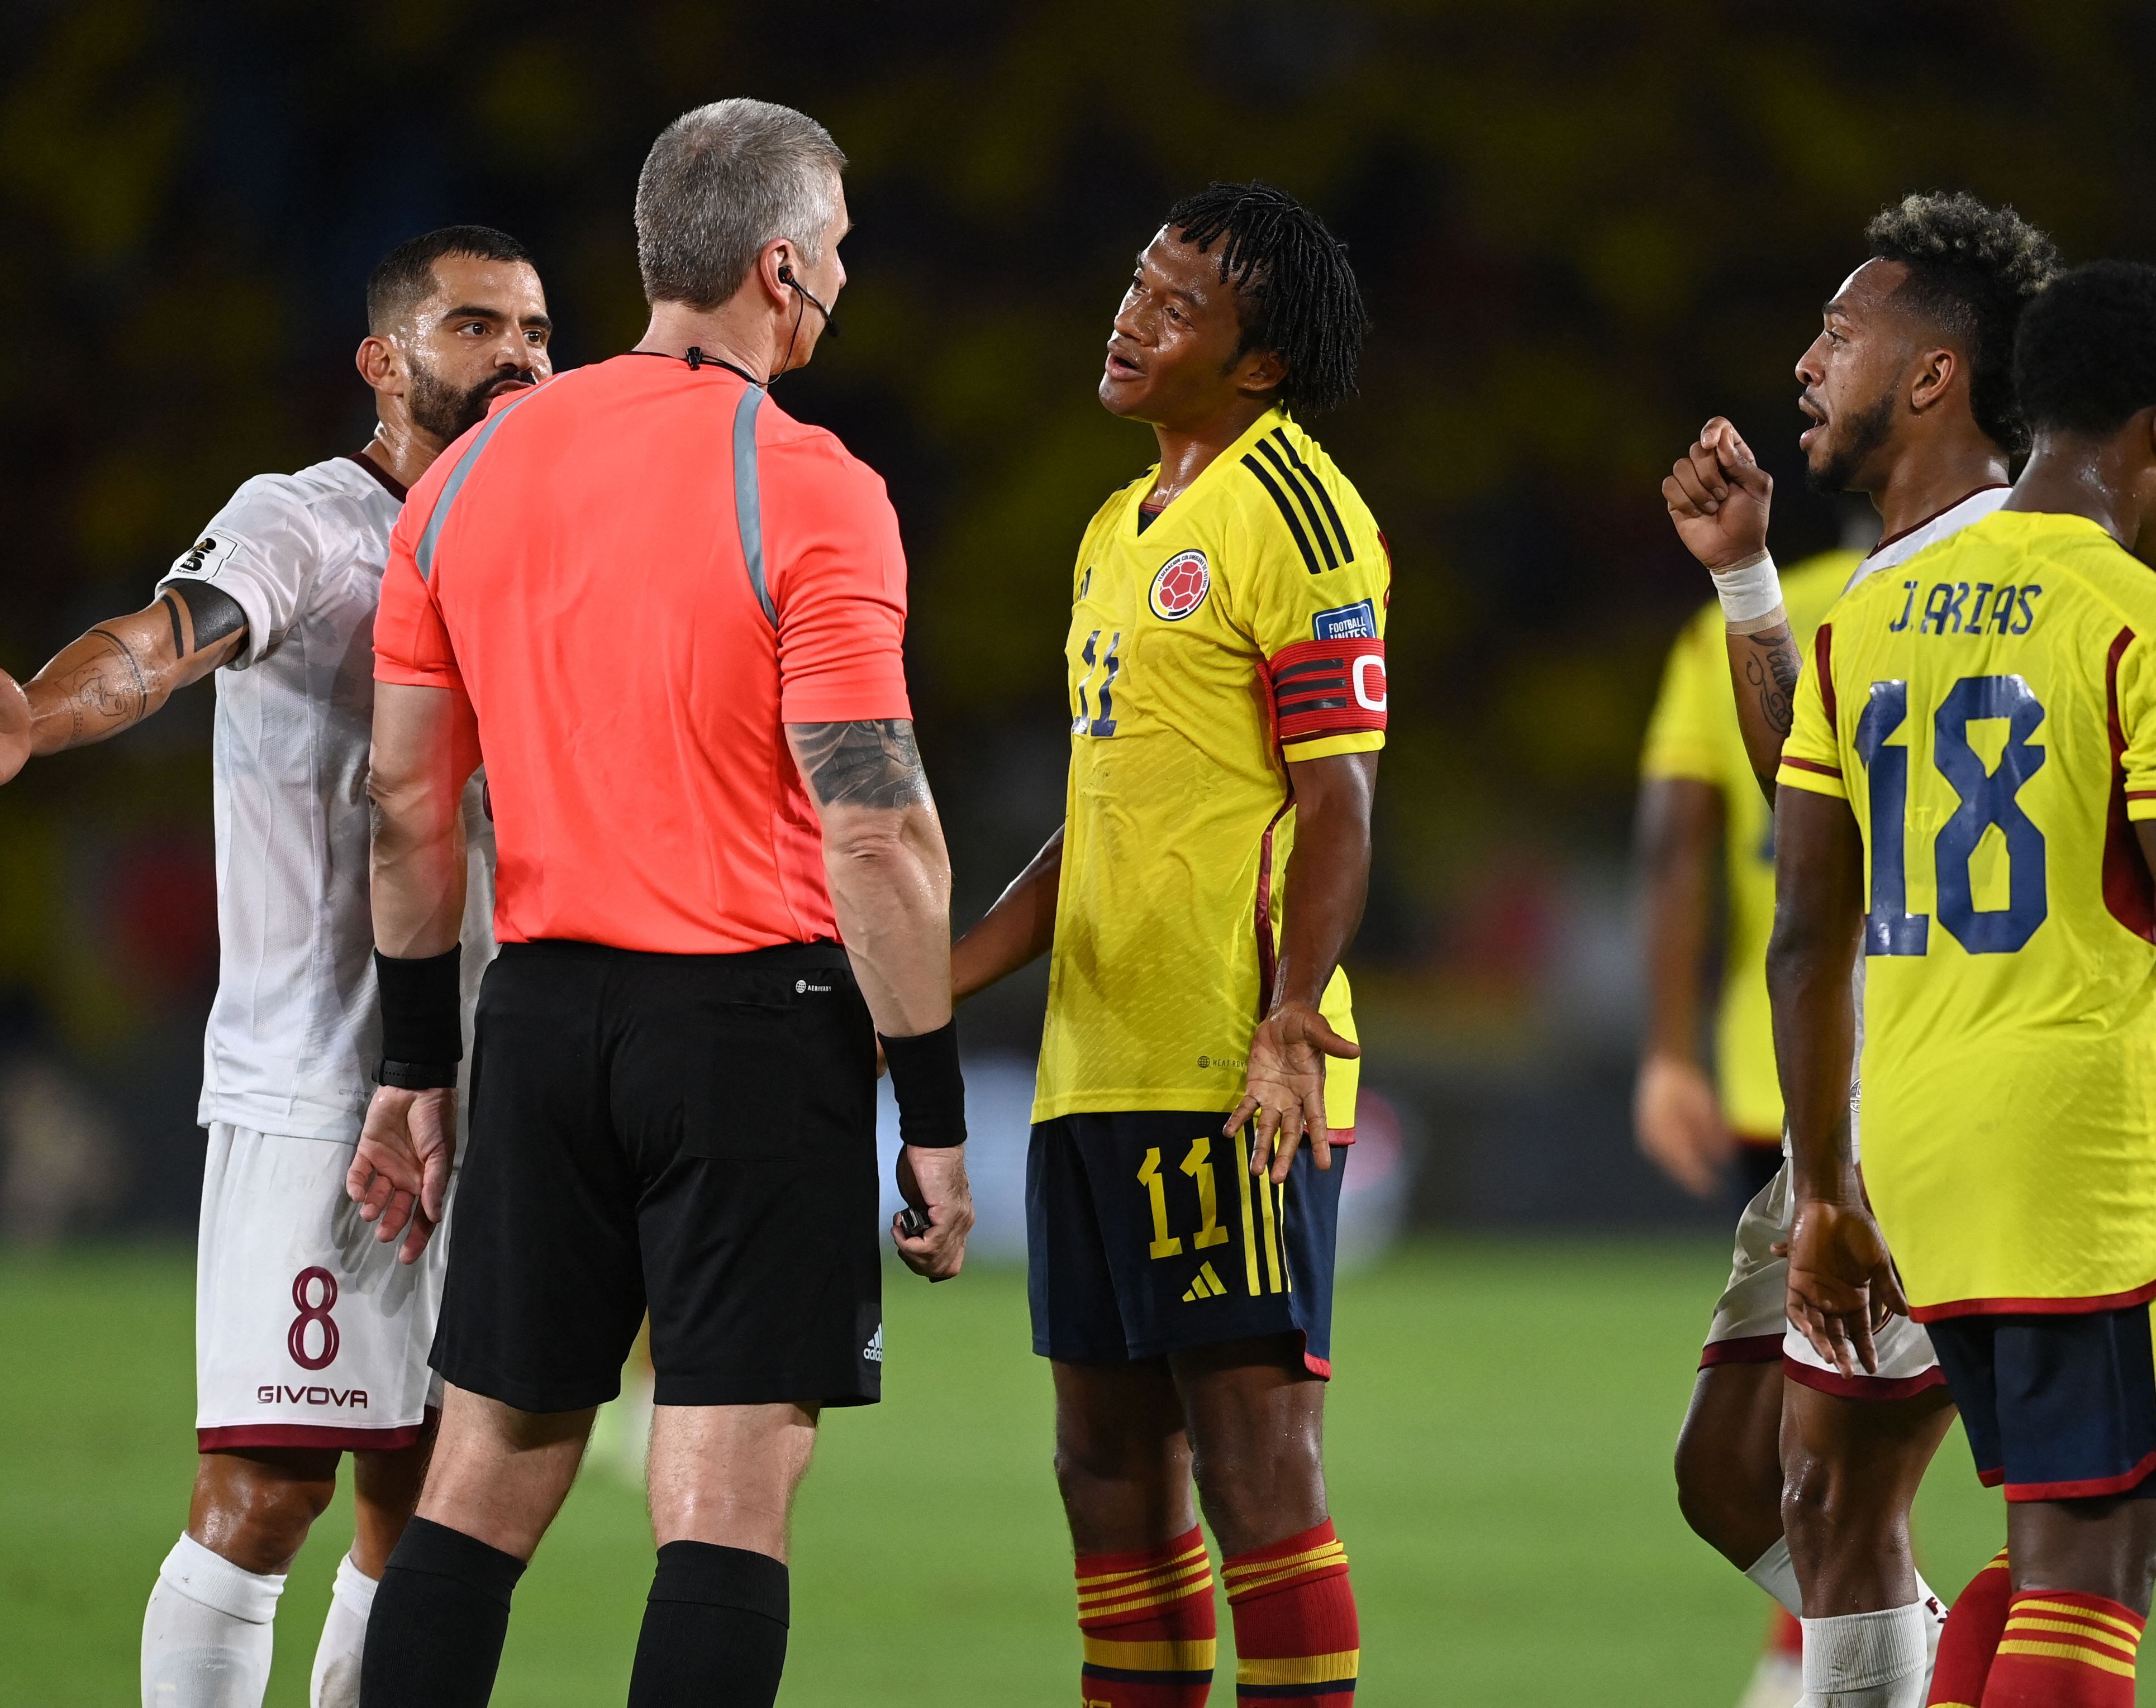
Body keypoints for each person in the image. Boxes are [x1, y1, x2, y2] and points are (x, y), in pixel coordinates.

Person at [342, 99, 972, 1708]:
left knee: (482, 1473)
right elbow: (877, 831)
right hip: (751, 1025)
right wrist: (930, 1104)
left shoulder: (466, 479)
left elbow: (406, 803)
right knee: (724, 1490)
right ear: (781, 268)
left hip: (541, 1018)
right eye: (836, 249)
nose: (843, 277)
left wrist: (416, 1061)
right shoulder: (811, 485)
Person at [0, 227, 551, 1707]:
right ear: (382, 362)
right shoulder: (304, 521)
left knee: (432, 1502)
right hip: (320, 1087)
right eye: (474, 325)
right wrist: (43, 714)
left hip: (489, 1087)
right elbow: (163, 641)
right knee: (267, 1492)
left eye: (535, 330)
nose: (517, 353)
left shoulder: (534, 542)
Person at [1772, 259, 2156, 1708]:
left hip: (1916, 1164)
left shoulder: (1862, 618)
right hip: (2084, 1170)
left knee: (2042, 1553)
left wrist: (1822, 1191)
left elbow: (1802, 933)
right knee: (2098, 1571)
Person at [951, 182, 1382, 1708]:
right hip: (1090, 1067)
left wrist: (1287, 1018)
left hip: (1222, 1069)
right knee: (1105, 1470)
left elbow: (1337, 800)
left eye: (1176, 304)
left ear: (1258, 362)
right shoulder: (1110, 531)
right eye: (1137, 283)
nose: (1130, 317)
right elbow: (1098, 821)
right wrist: (934, 984)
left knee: (1253, 1464)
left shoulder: (1301, 515)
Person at [1659, 193, 2061, 1706]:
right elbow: (1810, 788)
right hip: (1860, 1097)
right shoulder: (1896, 581)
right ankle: (1946, 1674)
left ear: (1931, 374)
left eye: (1839, 333)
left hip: (1934, 1093)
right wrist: (1743, 579)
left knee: (1835, 1500)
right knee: (1727, 1479)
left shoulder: (2012, 572)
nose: (1805, 361)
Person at [1635, 533, 1859, 1707]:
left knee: (1813, 1403)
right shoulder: (2003, 604)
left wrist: (1670, 1050)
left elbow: (1677, 838)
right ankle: (1846, 1652)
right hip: (1933, 1055)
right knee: (1854, 1404)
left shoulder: (1732, 627)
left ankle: (1832, 1654)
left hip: (1770, 1057)